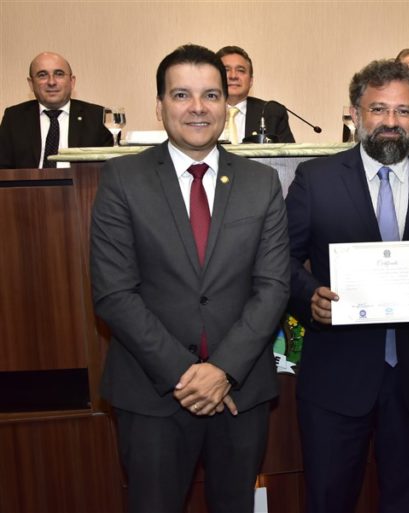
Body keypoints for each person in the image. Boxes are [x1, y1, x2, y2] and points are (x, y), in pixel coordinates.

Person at [90, 44, 290, 513]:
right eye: (182, 95)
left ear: (227, 106)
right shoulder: (122, 179)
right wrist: (186, 377)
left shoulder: (262, 183)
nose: (198, 108)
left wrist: (222, 370)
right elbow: (115, 293)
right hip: (152, 394)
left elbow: (274, 286)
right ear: (159, 106)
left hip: (239, 391)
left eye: (211, 95)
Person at [285, 59, 409, 512]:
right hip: (335, 379)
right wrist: (308, 296)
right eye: (378, 109)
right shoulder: (315, 181)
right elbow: (282, 262)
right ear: (356, 114)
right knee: (329, 499)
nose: (391, 122)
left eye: (404, 111)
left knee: (406, 500)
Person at [0, 52, 113, 169]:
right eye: (42, 75)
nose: (51, 82)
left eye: (59, 74)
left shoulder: (98, 116)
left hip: (81, 185)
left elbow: (111, 169)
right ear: (31, 84)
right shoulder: (14, 118)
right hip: (29, 186)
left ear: (72, 81)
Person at [215, 45, 295, 144]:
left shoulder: (272, 113)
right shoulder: (201, 111)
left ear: (251, 81)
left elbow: (288, 157)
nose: (233, 76)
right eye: (226, 70)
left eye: (240, 71)